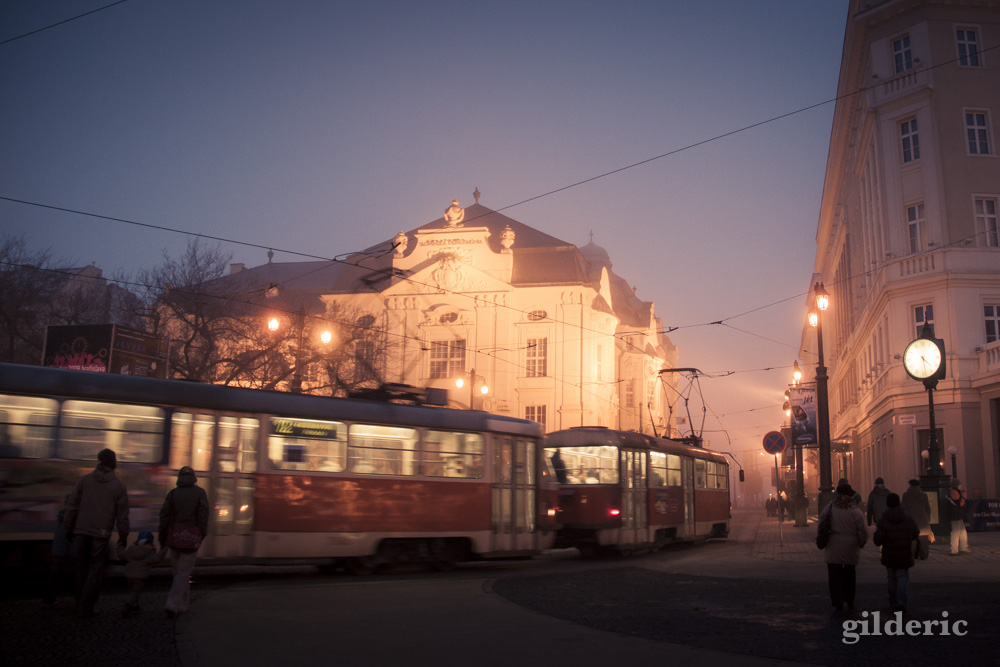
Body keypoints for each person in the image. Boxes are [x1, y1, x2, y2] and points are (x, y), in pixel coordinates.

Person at [64, 448, 130, 617]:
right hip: (101, 533)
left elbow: (72, 506)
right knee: (95, 570)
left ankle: (78, 603)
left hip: (81, 530)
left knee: (81, 568)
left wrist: (68, 527)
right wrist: (123, 536)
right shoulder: (118, 486)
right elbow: (122, 515)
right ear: (114, 463)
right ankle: (86, 607)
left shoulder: (84, 480)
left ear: (99, 461)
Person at [159, 466, 209, 618]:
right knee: (183, 572)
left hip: (174, 537)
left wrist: (162, 539)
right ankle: (173, 603)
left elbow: (164, 517)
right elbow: (203, 517)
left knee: (178, 572)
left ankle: (182, 604)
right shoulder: (200, 493)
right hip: (191, 538)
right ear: (193, 477)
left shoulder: (172, 494)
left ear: (179, 478)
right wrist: (201, 534)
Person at [820, 481, 867, 612]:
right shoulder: (855, 511)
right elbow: (862, 530)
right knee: (850, 575)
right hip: (851, 547)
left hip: (833, 545)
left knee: (834, 576)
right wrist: (861, 543)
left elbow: (822, 523)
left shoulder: (829, 508)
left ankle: (837, 601)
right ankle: (850, 599)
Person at [873, 493, 920, 612]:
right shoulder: (908, 517)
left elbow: (878, 540)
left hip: (890, 553)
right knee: (902, 576)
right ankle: (902, 601)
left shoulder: (884, 519)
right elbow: (915, 533)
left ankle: (893, 600)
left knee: (891, 577)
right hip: (904, 552)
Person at [117, 530, 167, 616]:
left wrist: (120, 546)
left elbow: (121, 555)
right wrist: (164, 550)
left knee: (132, 591)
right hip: (140, 576)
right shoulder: (150, 552)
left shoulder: (131, 549)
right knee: (136, 592)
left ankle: (135, 606)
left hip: (129, 574)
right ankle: (127, 606)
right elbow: (156, 559)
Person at [42, 494, 74, 606]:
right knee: (72, 574)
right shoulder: (72, 517)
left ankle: (48, 599)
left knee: (56, 574)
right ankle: (79, 600)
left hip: (59, 550)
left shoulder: (62, 516)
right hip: (67, 551)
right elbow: (70, 538)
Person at [901, 479, 934, 556]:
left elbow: (903, 508)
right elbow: (928, 509)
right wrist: (927, 519)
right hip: (923, 522)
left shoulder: (906, 495)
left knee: (912, 541)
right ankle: (924, 555)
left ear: (910, 485)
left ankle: (912, 555)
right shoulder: (924, 495)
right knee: (923, 541)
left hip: (910, 521)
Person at [947, 478, 970, 555]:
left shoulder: (955, 491)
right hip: (955, 515)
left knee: (962, 531)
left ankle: (963, 547)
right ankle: (954, 550)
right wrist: (963, 497)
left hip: (957, 514)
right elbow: (960, 503)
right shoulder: (954, 492)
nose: (960, 486)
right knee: (956, 532)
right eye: (959, 484)